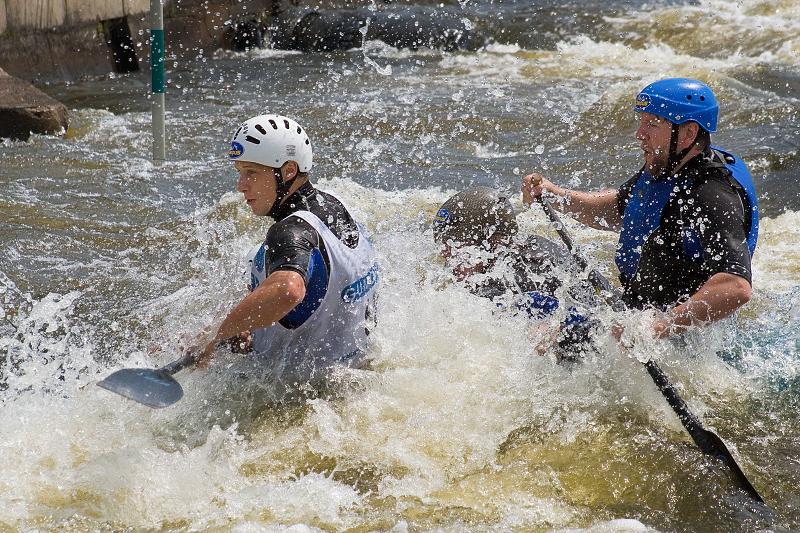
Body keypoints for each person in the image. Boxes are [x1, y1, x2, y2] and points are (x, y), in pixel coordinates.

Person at [521, 78, 758, 340]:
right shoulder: (669, 165)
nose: (640, 134)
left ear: (688, 134)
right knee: (530, 270)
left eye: (653, 124)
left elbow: (736, 286)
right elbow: (620, 209)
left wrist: (660, 327)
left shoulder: (712, 193)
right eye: (641, 121)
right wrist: (556, 196)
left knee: (544, 339)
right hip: (634, 315)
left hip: (675, 339)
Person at [195, 114, 379, 389]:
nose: (241, 186)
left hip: (299, 395)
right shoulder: (335, 208)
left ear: (289, 171)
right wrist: (245, 328)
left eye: (252, 173)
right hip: (355, 376)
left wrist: (216, 338)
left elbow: (288, 290)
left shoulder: (290, 231)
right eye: (240, 173)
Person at [433, 186, 598, 358]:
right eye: (443, 245)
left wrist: (550, 329)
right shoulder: (491, 265)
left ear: (492, 241)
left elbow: (587, 317)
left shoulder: (530, 269)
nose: (445, 254)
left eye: (454, 244)